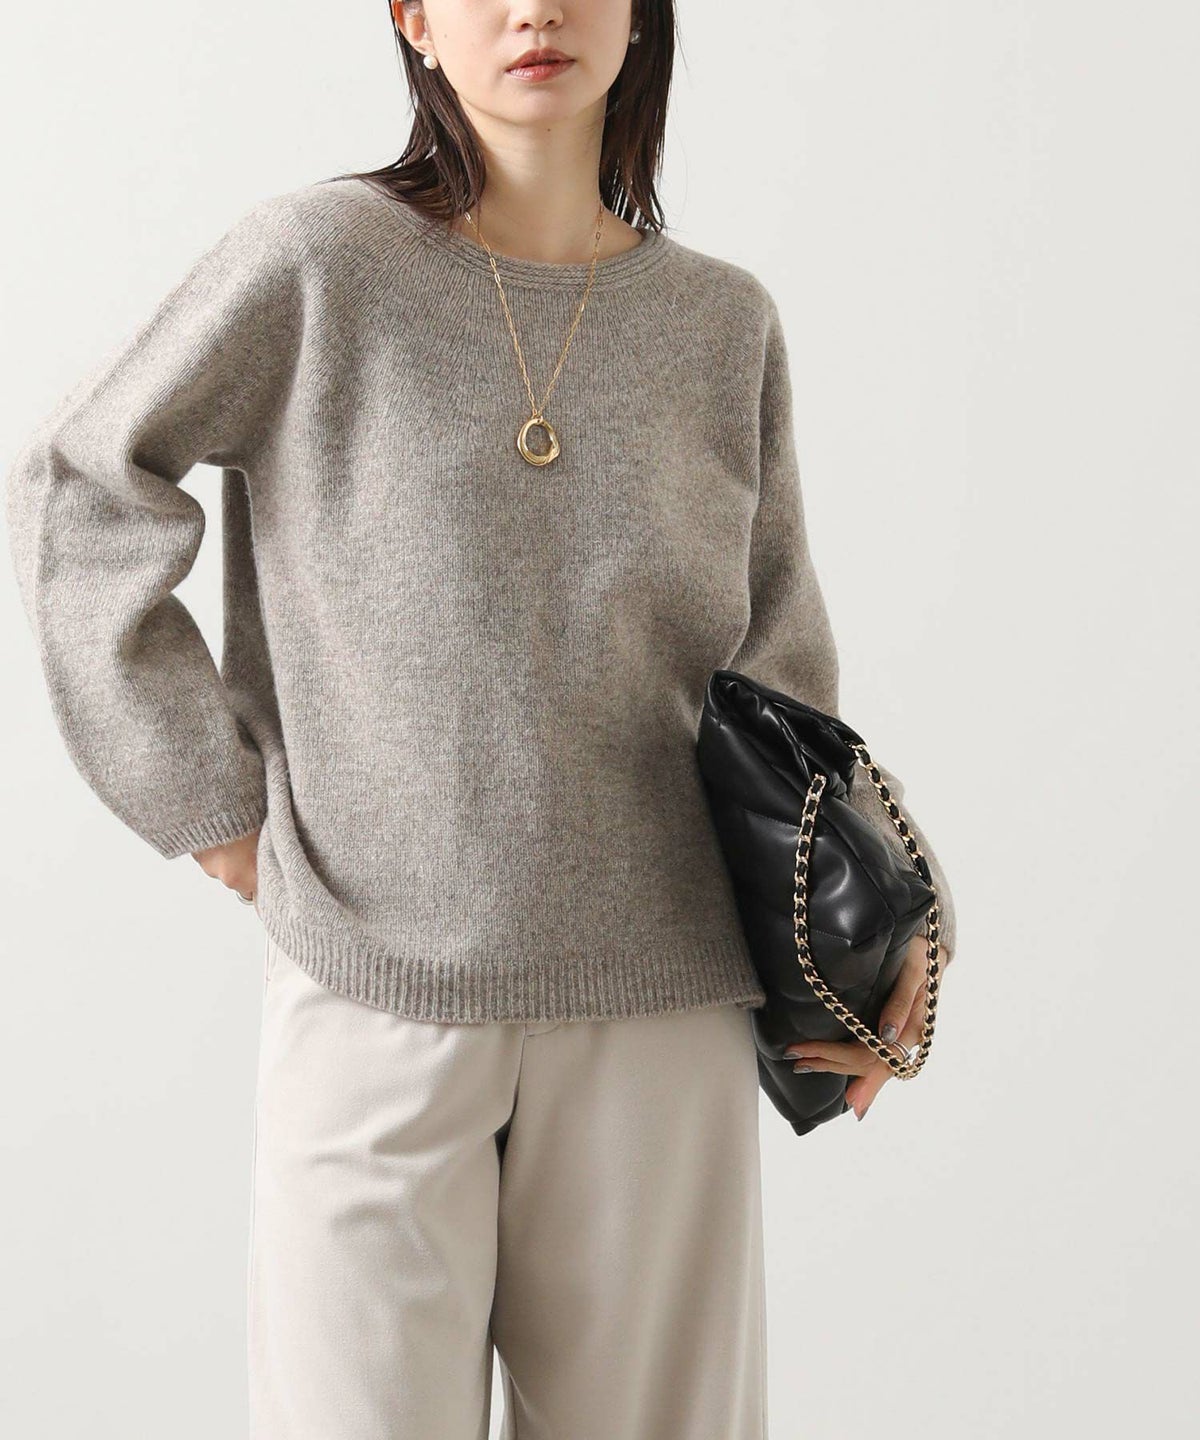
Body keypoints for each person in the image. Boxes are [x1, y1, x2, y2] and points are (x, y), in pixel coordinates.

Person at [4, 2, 957, 1436]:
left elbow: (785, 687)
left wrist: (893, 926)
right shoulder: (318, 263)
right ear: (412, 17)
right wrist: (208, 805)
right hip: (375, 992)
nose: (534, 9)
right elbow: (86, 483)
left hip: (661, 1006)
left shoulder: (721, 324)